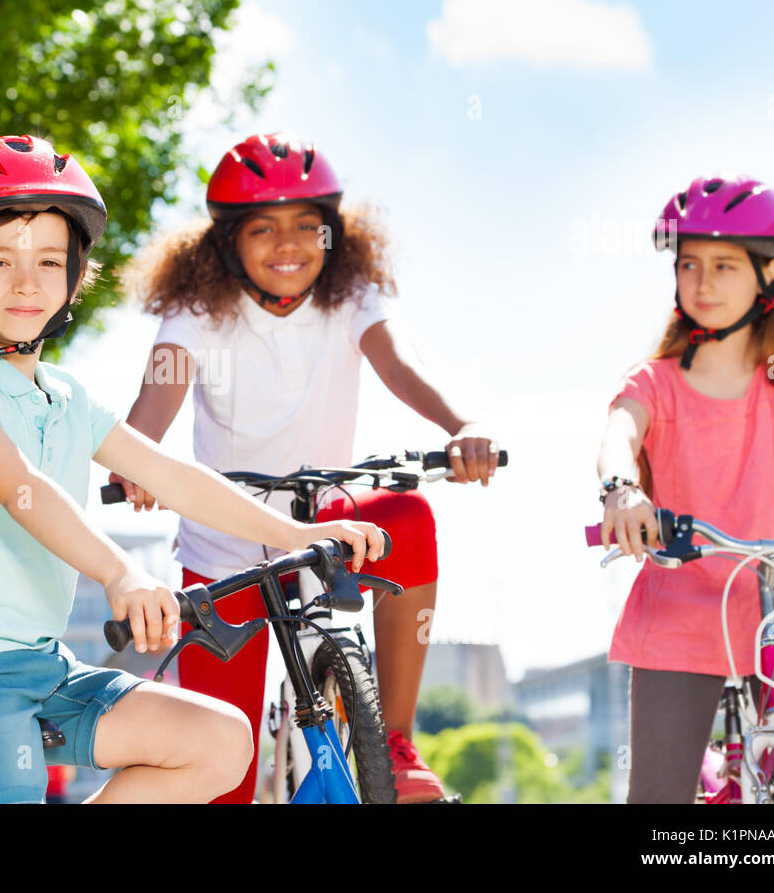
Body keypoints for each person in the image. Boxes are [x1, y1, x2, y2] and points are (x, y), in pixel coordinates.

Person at [0, 134, 389, 803]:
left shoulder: (66, 396)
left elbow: (172, 475)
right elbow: (20, 488)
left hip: (39, 666)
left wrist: (300, 538)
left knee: (221, 741)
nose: (27, 282)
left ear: (74, 276)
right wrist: (120, 573)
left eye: (49, 261)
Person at [108, 132, 499, 803]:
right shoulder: (197, 311)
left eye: (306, 227)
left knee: (407, 513)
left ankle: (396, 744)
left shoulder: (350, 298)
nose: (288, 243)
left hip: (326, 523)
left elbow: (401, 366)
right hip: (223, 541)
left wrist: (461, 428)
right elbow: (158, 393)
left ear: (333, 237)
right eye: (263, 228)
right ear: (227, 242)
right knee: (219, 771)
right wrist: (135, 462)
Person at [597, 173, 774, 803]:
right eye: (690, 263)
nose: (702, 282)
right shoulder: (657, 381)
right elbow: (620, 433)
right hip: (682, 608)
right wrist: (621, 489)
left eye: (725, 265)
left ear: (771, 271)